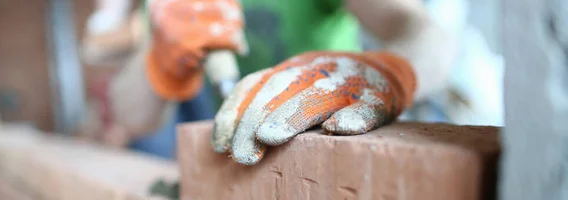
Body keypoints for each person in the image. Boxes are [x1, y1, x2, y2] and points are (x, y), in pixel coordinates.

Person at [79, 0, 457, 162]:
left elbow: (429, 37)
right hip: (233, 140)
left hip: (332, 130)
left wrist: (390, 72)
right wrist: (161, 62)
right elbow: (132, 116)